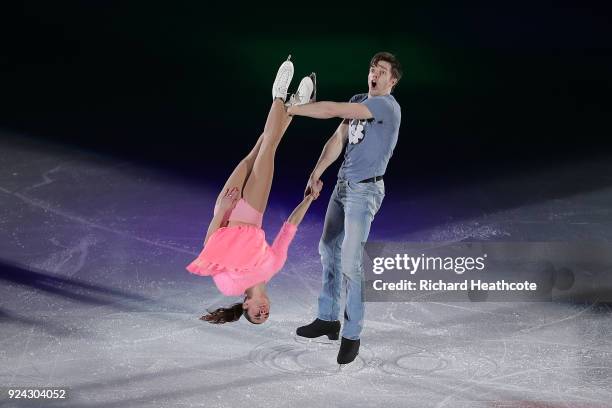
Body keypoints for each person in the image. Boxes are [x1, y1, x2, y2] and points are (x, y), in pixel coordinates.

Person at [186, 56, 321, 325]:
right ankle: (281, 99)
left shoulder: (228, 287)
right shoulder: (273, 267)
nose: (263, 312)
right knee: (268, 146)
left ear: (245, 305)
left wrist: (223, 210)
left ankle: (291, 105)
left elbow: (210, 246)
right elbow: (288, 229)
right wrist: (310, 199)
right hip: (251, 210)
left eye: (256, 315)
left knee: (256, 150)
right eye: (266, 314)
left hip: (225, 209)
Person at [288, 52, 402, 364]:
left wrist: (296, 109)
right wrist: (316, 172)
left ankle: (352, 334)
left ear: (392, 80)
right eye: (372, 69)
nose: (374, 75)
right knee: (328, 247)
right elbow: (337, 139)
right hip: (343, 186)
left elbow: (332, 109)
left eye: (381, 71)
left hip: (364, 192)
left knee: (351, 264)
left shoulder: (386, 106)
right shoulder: (359, 98)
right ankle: (328, 319)